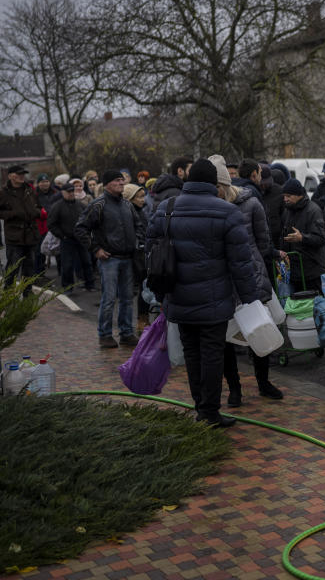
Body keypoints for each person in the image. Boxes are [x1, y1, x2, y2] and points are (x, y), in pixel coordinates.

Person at [147, 159, 258, 427]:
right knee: (212, 355)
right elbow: (241, 262)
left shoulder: (166, 208)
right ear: (213, 183)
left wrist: (160, 294)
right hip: (214, 299)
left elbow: (150, 252)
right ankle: (209, 411)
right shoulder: (227, 212)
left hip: (178, 296)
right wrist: (250, 297)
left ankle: (201, 408)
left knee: (192, 354)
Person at [210, 156, 285, 403]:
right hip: (222, 279)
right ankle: (234, 389)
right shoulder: (209, 206)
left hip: (251, 275)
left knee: (258, 327)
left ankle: (264, 382)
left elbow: (264, 242)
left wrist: (253, 262)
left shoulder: (251, 203)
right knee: (226, 338)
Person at [75, 169, 144, 348]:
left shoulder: (127, 205)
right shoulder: (99, 204)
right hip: (109, 259)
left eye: (122, 180)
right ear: (106, 184)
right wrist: (95, 249)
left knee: (128, 299)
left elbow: (139, 226)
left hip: (128, 258)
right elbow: (81, 228)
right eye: (117, 180)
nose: (122, 183)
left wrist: (137, 242)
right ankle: (105, 334)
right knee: (109, 298)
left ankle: (126, 333)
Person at [278, 178, 325, 293]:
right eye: (284, 196)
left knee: (313, 306)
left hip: (311, 271)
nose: (285, 199)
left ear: (299, 195)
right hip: (293, 271)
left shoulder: (313, 211)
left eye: (289, 196)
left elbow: (321, 238)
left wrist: (302, 238)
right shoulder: (288, 211)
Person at [48, 180, 95, 292]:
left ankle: (90, 285)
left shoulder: (80, 205)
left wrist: (86, 232)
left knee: (87, 262)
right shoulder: (57, 206)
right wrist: (61, 235)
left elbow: (89, 219)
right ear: (63, 192)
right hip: (67, 239)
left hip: (81, 239)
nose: (71, 193)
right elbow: (51, 224)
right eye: (68, 192)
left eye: (72, 191)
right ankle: (67, 287)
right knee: (67, 265)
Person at [0, 165, 42, 282]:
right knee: (13, 268)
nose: (21, 176)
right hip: (15, 237)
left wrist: (36, 212)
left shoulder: (29, 190)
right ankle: (9, 295)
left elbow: (39, 206)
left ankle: (27, 295)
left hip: (31, 235)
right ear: (10, 176)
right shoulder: (3, 193)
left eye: (23, 173)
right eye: (18, 174)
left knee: (29, 269)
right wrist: (12, 214)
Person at [122, 183, 150, 330]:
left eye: (143, 196)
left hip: (141, 254)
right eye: (139, 197)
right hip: (134, 256)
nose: (142, 200)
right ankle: (139, 321)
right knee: (136, 290)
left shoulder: (140, 211)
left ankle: (142, 319)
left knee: (143, 288)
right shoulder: (129, 212)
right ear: (129, 198)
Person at [259, 162, 284, 251]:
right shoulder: (253, 192)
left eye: (266, 182)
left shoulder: (279, 192)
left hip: (277, 241)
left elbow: (284, 217)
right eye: (262, 183)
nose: (264, 185)